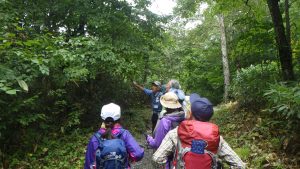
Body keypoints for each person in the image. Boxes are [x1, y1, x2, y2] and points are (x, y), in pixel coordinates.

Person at [152, 93, 246, 169]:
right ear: (210, 117)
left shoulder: (177, 133)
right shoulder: (217, 139)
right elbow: (240, 165)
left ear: (190, 113)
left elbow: (157, 158)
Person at [84, 103, 144, 169]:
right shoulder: (124, 134)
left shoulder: (95, 138)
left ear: (102, 118)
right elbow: (138, 154)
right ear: (120, 118)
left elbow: (89, 164)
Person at [146, 92, 185, 168]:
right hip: (178, 157)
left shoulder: (165, 121)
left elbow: (157, 144)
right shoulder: (182, 117)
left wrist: (149, 139)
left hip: (167, 159)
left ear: (165, 105)